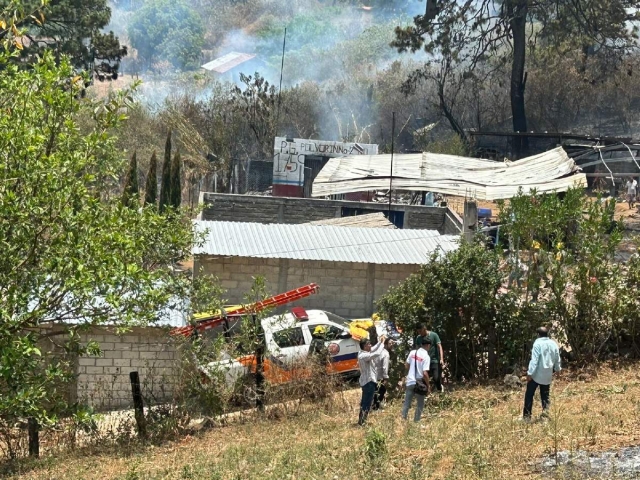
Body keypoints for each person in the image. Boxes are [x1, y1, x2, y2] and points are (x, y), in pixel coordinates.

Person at [522, 326, 561, 422]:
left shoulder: (537, 344)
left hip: (536, 375)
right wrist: (558, 369)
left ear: (538, 335)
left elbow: (534, 360)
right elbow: (557, 357)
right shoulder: (553, 343)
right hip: (547, 374)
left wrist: (530, 373)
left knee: (529, 395)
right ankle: (545, 417)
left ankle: (527, 417)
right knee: (545, 396)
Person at [357, 335, 385, 426]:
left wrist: (380, 342)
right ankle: (362, 421)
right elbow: (376, 353)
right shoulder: (363, 355)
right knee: (367, 402)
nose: (370, 345)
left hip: (367, 381)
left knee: (365, 401)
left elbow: (373, 348)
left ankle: (361, 420)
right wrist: (383, 344)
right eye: (369, 344)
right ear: (365, 346)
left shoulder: (362, 352)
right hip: (368, 382)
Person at [402, 337, 431, 422]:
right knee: (420, 404)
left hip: (410, 381)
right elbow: (425, 373)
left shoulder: (412, 352)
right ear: (428, 345)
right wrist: (428, 386)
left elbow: (406, 365)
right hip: (419, 383)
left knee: (407, 402)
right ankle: (416, 421)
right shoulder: (426, 356)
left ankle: (403, 420)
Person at [416, 324, 445, 392]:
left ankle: (439, 389)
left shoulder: (434, 335)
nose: (419, 333)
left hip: (434, 360)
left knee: (436, 378)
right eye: (418, 332)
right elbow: (417, 350)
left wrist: (441, 359)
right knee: (423, 378)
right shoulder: (418, 338)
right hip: (424, 361)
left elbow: (439, 347)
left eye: (420, 331)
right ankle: (427, 393)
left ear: (424, 329)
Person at [372, 338, 392, 410]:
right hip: (380, 376)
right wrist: (386, 378)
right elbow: (385, 367)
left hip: (374, 375)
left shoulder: (377, 351)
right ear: (385, 344)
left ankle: (375, 406)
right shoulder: (386, 354)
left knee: (376, 391)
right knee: (381, 391)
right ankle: (376, 407)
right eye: (390, 343)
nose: (392, 345)